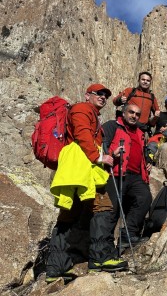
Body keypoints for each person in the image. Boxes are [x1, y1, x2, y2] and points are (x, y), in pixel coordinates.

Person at [46, 84, 127, 283]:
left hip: (76, 168)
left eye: (105, 95)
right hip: (83, 166)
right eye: (98, 94)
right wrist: (100, 158)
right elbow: (82, 135)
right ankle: (100, 258)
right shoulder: (82, 109)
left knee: (69, 214)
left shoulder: (89, 111)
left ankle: (56, 267)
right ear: (87, 95)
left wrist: (106, 155)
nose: (103, 97)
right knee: (104, 206)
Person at [102, 104, 153, 252]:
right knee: (113, 210)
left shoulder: (139, 132)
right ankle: (106, 248)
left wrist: (147, 162)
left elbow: (141, 151)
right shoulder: (112, 126)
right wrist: (111, 154)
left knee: (144, 198)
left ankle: (128, 235)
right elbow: (101, 146)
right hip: (117, 173)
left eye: (137, 114)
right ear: (123, 113)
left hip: (136, 175)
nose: (134, 116)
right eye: (131, 112)